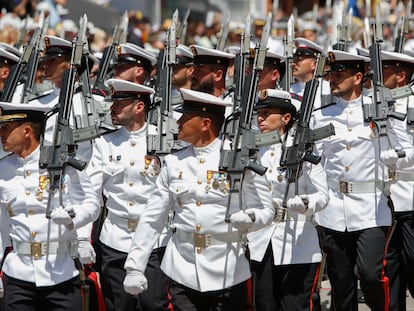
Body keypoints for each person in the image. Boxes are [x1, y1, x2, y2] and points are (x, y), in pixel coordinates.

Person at [123, 88, 274, 311]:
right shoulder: (175, 162)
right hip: (183, 268)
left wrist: (250, 218)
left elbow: (265, 209)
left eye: (185, 117)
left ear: (205, 124)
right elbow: (152, 217)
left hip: (228, 268)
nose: (179, 122)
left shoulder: (238, 158)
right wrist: (134, 266)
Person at [311, 50, 414, 310]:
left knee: (371, 274)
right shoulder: (321, 114)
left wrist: (391, 158)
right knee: (341, 283)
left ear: (358, 77)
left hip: (372, 208)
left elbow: (409, 151)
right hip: (333, 210)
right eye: (331, 73)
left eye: (340, 73)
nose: (332, 79)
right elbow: (317, 162)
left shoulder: (381, 109)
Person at [0, 100, 100, 311]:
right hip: (18, 274)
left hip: (61, 273)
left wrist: (72, 216)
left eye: (6, 128)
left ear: (27, 131)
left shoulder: (63, 164)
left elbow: (92, 205)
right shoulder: (3, 169)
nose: (1, 133)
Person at [86, 78, 170, 311]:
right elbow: (91, 193)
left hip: (154, 240)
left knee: (153, 305)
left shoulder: (165, 141)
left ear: (139, 107)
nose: (112, 108)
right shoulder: (105, 143)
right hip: (115, 238)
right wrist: (84, 237)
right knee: (118, 306)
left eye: (119, 104)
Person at [249, 89, 329, 311]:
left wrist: (305, 202)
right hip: (260, 241)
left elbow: (322, 195)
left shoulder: (303, 149)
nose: (260, 118)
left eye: (267, 113)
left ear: (285, 118)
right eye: (259, 113)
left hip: (297, 242)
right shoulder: (253, 151)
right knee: (264, 304)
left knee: (295, 305)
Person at [379, 50, 414, 311]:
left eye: (384, 71)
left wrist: (394, 157)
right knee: (388, 271)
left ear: (401, 76)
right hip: (383, 200)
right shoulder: (372, 103)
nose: (376, 76)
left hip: (410, 198)